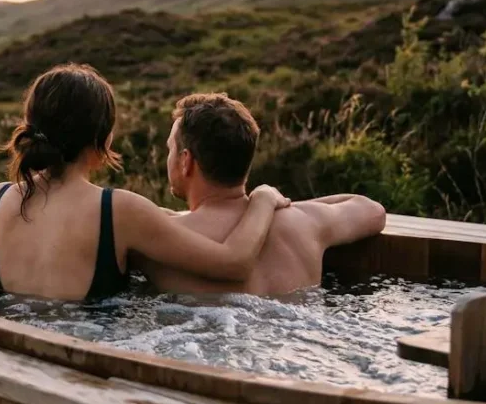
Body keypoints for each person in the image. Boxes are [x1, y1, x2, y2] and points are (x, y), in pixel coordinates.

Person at [0, 64, 291, 302]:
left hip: (12, 357)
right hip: (85, 371)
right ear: (103, 137)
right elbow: (234, 264)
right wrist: (262, 199)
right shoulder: (118, 211)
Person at [140, 93, 387, 295]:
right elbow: (372, 211)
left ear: (186, 162)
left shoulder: (161, 238)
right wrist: (269, 202)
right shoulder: (307, 222)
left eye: (170, 149)